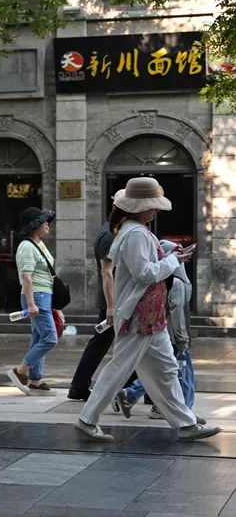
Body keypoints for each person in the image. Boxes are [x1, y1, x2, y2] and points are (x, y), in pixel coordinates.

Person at [75, 177, 219, 442]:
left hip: (149, 314)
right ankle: (87, 418)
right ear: (139, 207)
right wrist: (173, 259)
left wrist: (168, 252)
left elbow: (145, 262)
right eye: (153, 206)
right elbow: (144, 273)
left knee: (165, 368)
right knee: (122, 368)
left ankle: (185, 423)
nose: (157, 210)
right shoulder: (136, 233)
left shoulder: (135, 230)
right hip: (140, 315)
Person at [114, 239, 204, 423]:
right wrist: (182, 340)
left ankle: (131, 395)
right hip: (173, 336)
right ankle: (186, 413)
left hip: (163, 333)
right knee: (182, 374)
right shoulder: (177, 282)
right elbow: (178, 312)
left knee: (161, 372)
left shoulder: (164, 280)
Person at [68, 197, 123, 401]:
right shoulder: (109, 235)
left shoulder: (113, 231)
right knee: (112, 344)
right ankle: (81, 386)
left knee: (106, 343)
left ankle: (79, 386)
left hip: (115, 300)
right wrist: (111, 306)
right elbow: (106, 272)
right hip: (113, 301)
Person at [7, 207, 59, 396]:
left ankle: (35, 380)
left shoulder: (39, 244)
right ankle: (20, 371)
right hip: (35, 296)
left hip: (44, 295)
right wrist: (30, 304)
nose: (47, 224)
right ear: (34, 226)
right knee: (50, 338)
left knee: (39, 337)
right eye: (43, 221)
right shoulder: (27, 246)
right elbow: (26, 277)